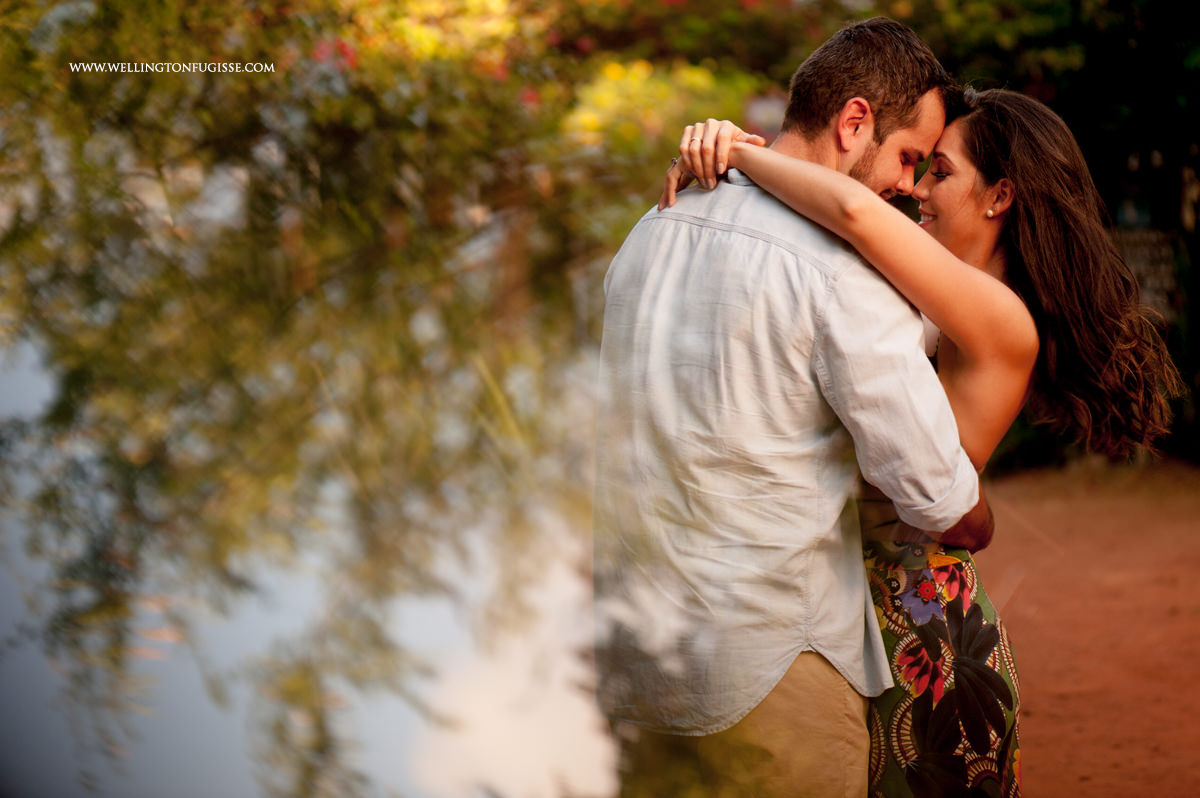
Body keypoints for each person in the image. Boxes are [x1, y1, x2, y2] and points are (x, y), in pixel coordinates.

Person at [665, 88, 1183, 797]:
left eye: (940, 172)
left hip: (927, 642)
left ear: (1000, 195)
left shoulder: (999, 315)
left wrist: (743, 153)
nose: (916, 191)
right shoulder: (937, 304)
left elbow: (850, 211)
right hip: (868, 623)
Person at [593, 18, 997, 798]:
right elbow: (937, 497)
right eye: (909, 157)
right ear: (854, 122)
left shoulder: (649, 229)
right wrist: (979, 519)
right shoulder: (841, 274)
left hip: (635, 672)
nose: (909, 189)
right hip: (771, 679)